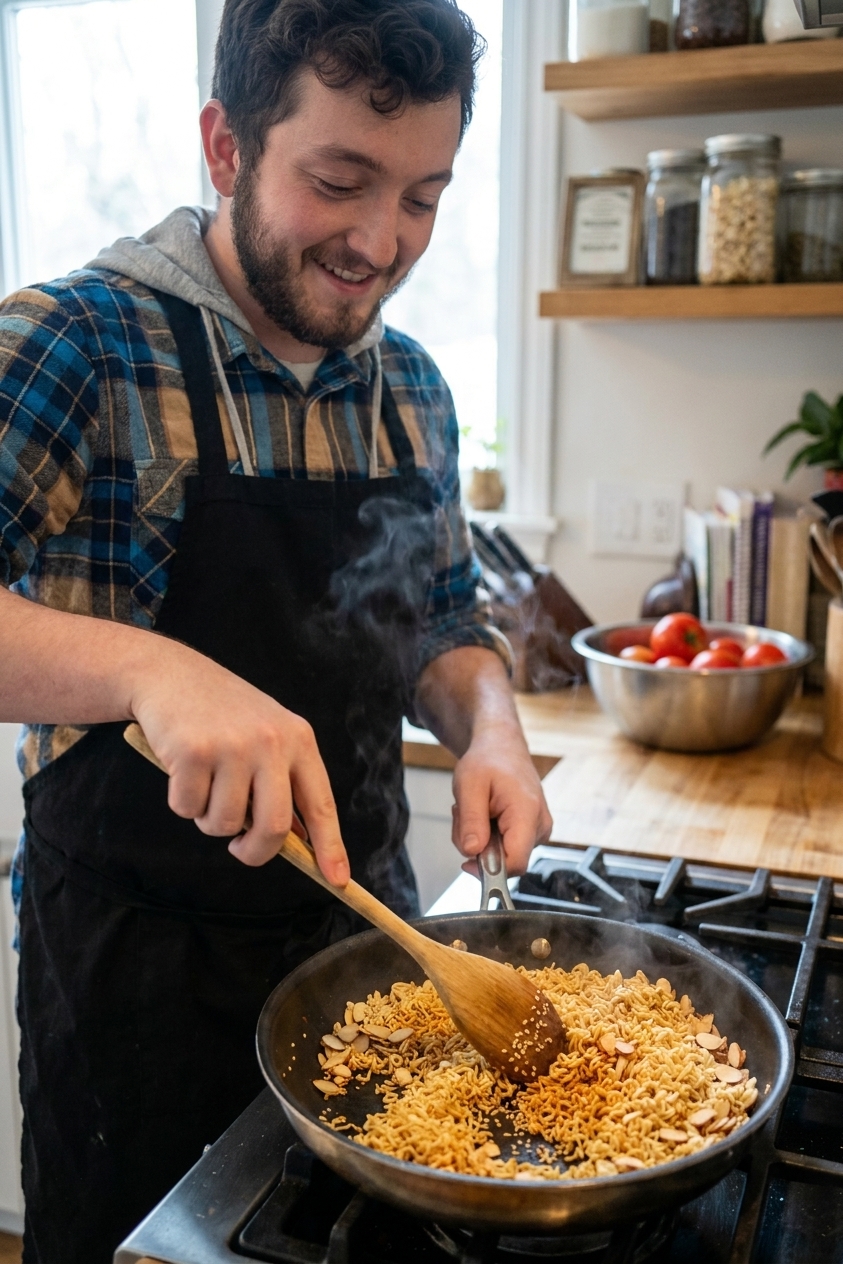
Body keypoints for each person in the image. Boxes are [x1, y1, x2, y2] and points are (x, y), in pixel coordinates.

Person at [0, 1, 551, 1259]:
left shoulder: (409, 384)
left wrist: (493, 727)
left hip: (375, 958)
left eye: (423, 196)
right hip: (136, 989)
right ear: (227, 146)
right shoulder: (76, 342)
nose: (381, 241)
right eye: (342, 181)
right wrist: (148, 669)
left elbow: (441, 620)